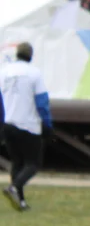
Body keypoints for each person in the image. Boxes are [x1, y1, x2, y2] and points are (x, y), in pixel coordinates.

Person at [0, 42, 52, 211]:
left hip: (8, 122)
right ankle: (15, 188)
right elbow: (42, 102)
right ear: (30, 55)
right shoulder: (34, 73)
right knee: (33, 163)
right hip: (28, 124)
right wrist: (47, 123)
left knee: (17, 162)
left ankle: (20, 201)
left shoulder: (5, 72)